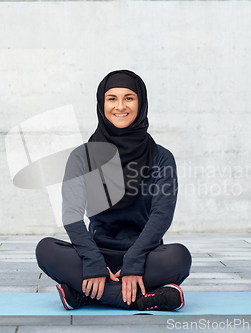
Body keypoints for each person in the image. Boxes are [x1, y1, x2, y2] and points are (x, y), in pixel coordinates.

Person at [35, 69, 192, 311]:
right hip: (96, 253)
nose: (120, 106)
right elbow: (72, 214)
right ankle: (137, 298)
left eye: (129, 98)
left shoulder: (161, 157)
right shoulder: (82, 156)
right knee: (46, 250)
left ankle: (86, 294)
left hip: (147, 254)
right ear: (102, 103)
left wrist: (135, 260)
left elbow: (162, 215)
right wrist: (93, 261)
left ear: (141, 103)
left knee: (179, 258)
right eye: (112, 98)